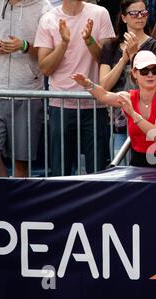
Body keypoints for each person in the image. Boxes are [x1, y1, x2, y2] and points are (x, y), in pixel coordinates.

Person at [34, 0, 115, 176]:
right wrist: (63, 43)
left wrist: (89, 40)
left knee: (98, 171)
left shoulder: (100, 13)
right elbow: (45, 68)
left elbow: (106, 59)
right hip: (60, 105)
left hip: (95, 103)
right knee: (60, 172)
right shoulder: (48, 19)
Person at [0, 0, 52, 177]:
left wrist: (24, 46)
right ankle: (0, 200)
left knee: (21, 164)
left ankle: (13, 203)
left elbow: (48, 51)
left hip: (28, 93)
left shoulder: (43, 7)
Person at [71, 50, 156, 167]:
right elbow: (104, 95)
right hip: (138, 160)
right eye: (144, 71)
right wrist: (88, 84)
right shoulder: (130, 97)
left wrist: (133, 114)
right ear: (134, 73)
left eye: (155, 70)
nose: (150, 74)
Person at [100, 0, 156, 159]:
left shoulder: (155, 47)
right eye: (134, 13)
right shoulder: (110, 46)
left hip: (145, 121)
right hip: (119, 121)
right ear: (124, 17)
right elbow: (104, 85)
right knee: (119, 170)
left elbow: (151, 82)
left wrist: (134, 55)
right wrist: (124, 59)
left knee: (141, 172)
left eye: (143, 13)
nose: (140, 17)